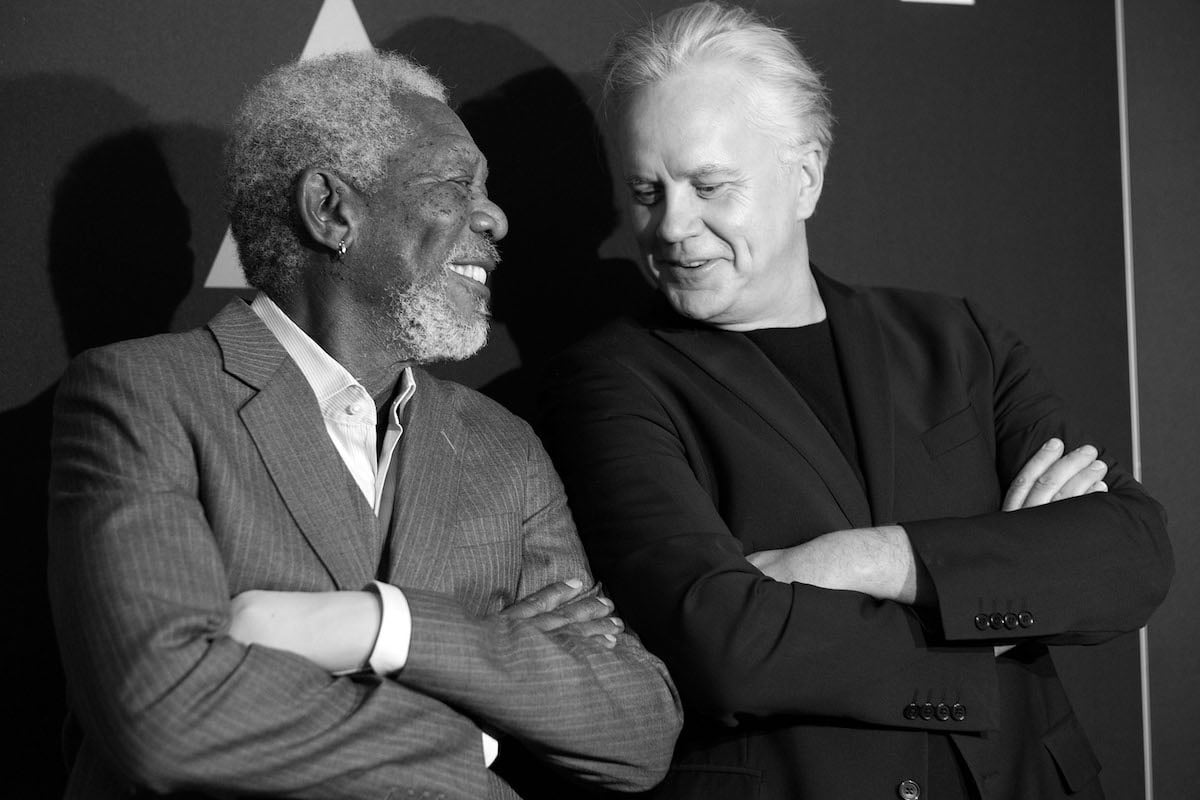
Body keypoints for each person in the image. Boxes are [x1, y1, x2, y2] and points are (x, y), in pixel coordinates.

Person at [536, 3, 1173, 799]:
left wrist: (860, 561)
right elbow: (726, 644)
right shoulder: (609, 383)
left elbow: (1128, 557)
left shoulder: (955, 339)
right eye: (645, 190)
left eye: (708, 185)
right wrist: (997, 589)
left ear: (804, 176)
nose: (671, 225)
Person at [47, 50, 681, 800]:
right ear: (331, 210)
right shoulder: (145, 395)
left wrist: (389, 627)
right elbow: (164, 710)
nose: (496, 217)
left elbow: (636, 727)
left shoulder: (502, 445)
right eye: (454, 185)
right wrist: (474, 731)